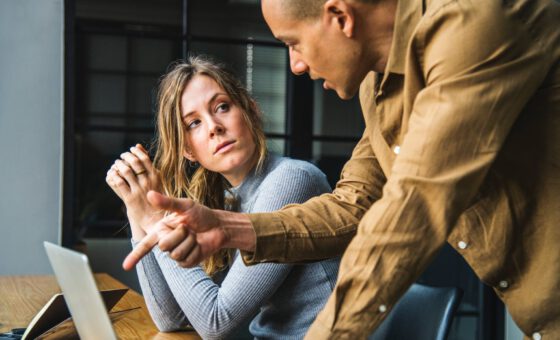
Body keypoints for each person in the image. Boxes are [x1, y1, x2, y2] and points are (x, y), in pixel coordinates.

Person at [125, 0, 560, 338]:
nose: (295, 64)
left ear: (339, 16)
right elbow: (355, 204)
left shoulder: (474, 29)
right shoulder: (380, 83)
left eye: (293, 42)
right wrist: (228, 227)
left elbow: (413, 209)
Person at [107, 56, 340, 339]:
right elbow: (172, 319)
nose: (213, 126)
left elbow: (216, 323)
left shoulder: (292, 179)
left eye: (222, 107)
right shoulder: (227, 199)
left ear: (251, 111)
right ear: (188, 151)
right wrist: (136, 209)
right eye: (193, 123)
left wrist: (156, 220)